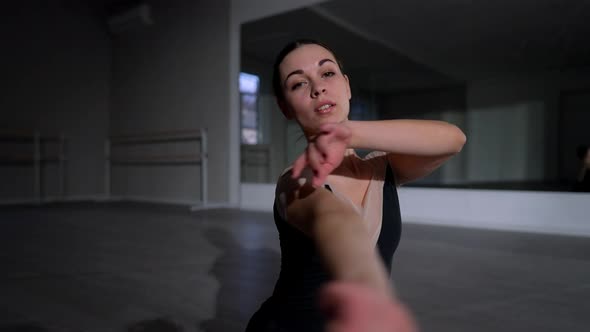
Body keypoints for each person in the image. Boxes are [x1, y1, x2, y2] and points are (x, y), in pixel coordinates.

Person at [245, 39, 466, 332]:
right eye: (298, 84)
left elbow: (453, 139)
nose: (318, 88)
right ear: (285, 108)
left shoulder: (378, 168)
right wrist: (369, 296)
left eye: (327, 73)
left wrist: (349, 132)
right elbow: (336, 221)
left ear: (347, 87)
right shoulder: (296, 180)